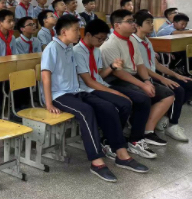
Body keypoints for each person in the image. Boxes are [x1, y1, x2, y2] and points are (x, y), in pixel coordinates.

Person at [42, 15, 147, 182]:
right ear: (64, 31)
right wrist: (48, 103)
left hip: (75, 91)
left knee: (108, 107)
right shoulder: (52, 48)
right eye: (76, 30)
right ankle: (97, 162)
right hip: (59, 95)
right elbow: (46, 76)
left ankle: (121, 153)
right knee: (86, 111)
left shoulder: (69, 47)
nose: (79, 33)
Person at [74, 19, 152, 159]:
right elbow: (89, 81)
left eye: (104, 39)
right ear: (88, 35)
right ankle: (109, 141)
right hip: (87, 89)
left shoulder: (96, 50)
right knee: (123, 103)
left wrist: (112, 67)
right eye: (99, 38)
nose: (101, 42)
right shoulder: (77, 52)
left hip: (101, 85)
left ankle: (133, 139)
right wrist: (115, 92)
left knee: (142, 99)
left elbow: (99, 75)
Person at [100, 9, 173, 150]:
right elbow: (119, 73)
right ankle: (135, 139)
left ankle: (147, 131)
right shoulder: (110, 45)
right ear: (117, 25)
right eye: (129, 21)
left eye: (133, 21)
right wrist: (143, 85)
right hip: (115, 79)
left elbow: (140, 64)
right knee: (143, 97)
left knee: (167, 94)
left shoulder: (131, 40)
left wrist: (147, 81)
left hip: (133, 76)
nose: (133, 24)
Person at [133, 10, 191, 143]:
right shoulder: (133, 42)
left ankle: (164, 117)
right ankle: (172, 124)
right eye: (148, 22)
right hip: (142, 77)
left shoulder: (147, 41)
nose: (152, 25)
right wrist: (163, 79)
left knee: (188, 83)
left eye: (152, 22)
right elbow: (142, 68)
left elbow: (157, 64)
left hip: (154, 74)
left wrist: (176, 75)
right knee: (178, 89)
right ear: (138, 25)